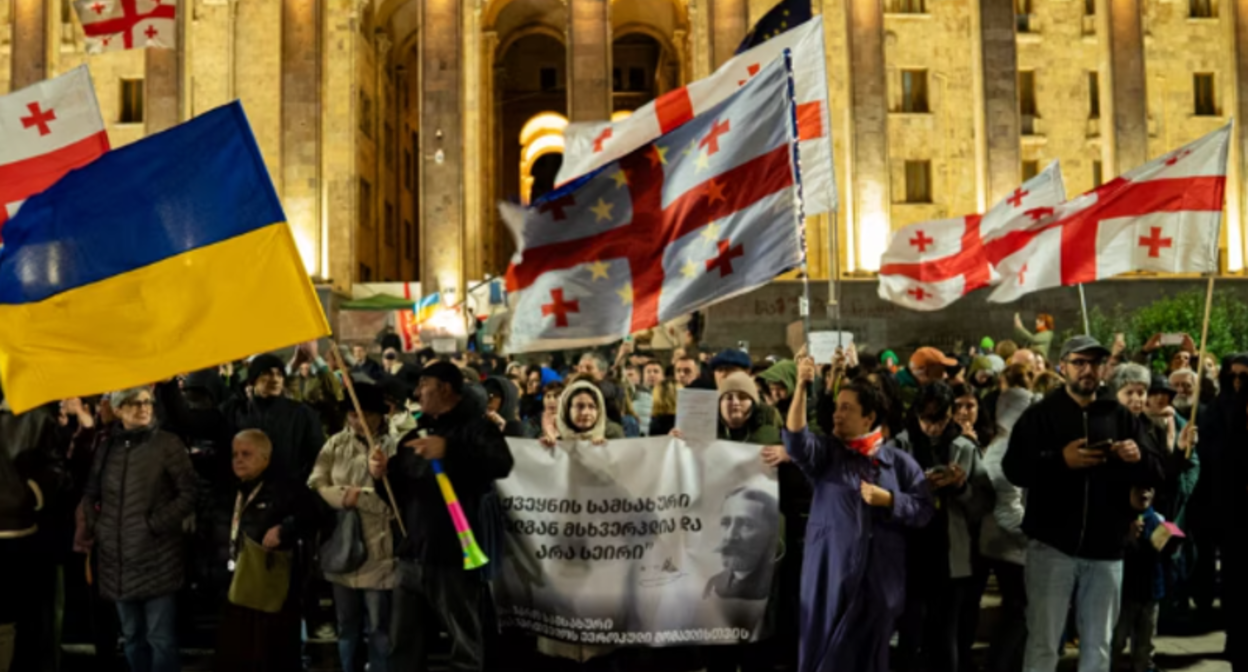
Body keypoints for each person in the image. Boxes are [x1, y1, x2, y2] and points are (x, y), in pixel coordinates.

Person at [1002, 336, 1165, 672]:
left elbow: (1157, 470)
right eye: (1080, 362)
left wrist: (1138, 456)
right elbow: (1014, 468)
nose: (1087, 370)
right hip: (1052, 548)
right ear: (1063, 366)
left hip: (1106, 550)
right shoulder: (1040, 415)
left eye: (1094, 363)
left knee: (1098, 646)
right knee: (1044, 644)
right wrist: (1060, 460)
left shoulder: (1119, 415)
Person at [783, 355, 935, 672]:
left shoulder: (899, 462)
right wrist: (801, 386)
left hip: (880, 581)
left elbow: (923, 509)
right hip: (830, 577)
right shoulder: (827, 455)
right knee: (824, 654)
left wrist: (891, 500)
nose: (837, 415)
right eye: (837, 407)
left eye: (846, 408)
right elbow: (796, 441)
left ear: (869, 418)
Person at [370, 362, 514, 672]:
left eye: (425, 383)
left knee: (464, 646)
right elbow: (398, 492)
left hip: (454, 558)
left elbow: (500, 464)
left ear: (446, 388)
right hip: (413, 556)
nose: (418, 391)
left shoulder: (476, 427)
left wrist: (449, 449)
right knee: (403, 648)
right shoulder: (418, 431)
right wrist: (380, 474)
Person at [82, 387, 197, 672]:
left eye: (147, 402)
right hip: (117, 559)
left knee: (160, 638)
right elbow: (91, 493)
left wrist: (154, 525)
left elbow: (190, 493)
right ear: (119, 410)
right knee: (132, 636)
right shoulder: (108, 446)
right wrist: (100, 527)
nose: (143, 408)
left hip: (157, 556)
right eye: (134, 404)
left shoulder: (168, 444)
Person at [894, 383, 991, 672]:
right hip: (909, 551)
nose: (932, 428)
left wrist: (960, 487)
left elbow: (983, 505)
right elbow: (883, 498)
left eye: (939, 420)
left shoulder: (964, 448)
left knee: (945, 631)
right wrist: (916, 488)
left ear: (949, 415)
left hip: (951, 553)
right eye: (926, 420)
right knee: (910, 631)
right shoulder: (898, 446)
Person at [308, 383, 398, 672]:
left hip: (380, 549)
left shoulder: (394, 446)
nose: (358, 421)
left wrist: (360, 497)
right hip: (343, 546)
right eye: (353, 415)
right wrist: (345, 496)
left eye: (366, 415)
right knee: (346, 625)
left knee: (378, 627)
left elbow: (397, 502)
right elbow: (317, 482)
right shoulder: (335, 444)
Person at [215, 430, 310, 672]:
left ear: (265, 458)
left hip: (269, 590)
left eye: (246, 454)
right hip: (235, 585)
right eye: (235, 454)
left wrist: (283, 530)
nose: (238, 459)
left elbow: (313, 514)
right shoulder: (229, 489)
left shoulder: (285, 488)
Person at [0, 387, 64, 672]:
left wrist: (26, 494)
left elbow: (58, 471)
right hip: (17, 529)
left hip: (20, 534)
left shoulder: (36, 416)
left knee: (21, 621)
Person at [979, 386, 1034, 672]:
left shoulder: (1006, 444)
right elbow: (1007, 508)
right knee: (1018, 612)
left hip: (1006, 544)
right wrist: (1035, 534)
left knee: (1018, 612)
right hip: (1008, 548)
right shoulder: (1003, 451)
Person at [219, 353, 326, 485]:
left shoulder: (302, 414)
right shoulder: (237, 412)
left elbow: (317, 457)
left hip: (288, 492)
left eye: (279, 374)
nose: (275, 379)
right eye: (267, 373)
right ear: (253, 380)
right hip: (245, 489)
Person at [1111, 486, 1165, 672]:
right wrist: (1127, 538)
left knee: (1145, 642)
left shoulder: (1158, 520)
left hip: (1150, 591)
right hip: (1125, 592)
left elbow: (1162, 557)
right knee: (1116, 640)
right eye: (1138, 489)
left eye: (1149, 489)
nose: (1144, 494)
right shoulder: (1121, 519)